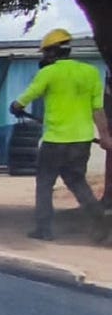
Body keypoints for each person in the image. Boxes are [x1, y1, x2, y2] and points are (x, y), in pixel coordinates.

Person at [10, 28, 112, 241]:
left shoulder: (48, 73)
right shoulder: (91, 72)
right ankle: (100, 223)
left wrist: (16, 106)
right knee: (77, 181)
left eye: (45, 53)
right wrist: (104, 136)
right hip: (82, 140)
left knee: (45, 183)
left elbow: (28, 95)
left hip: (55, 140)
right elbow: (98, 109)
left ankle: (44, 229)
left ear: (51, 52)